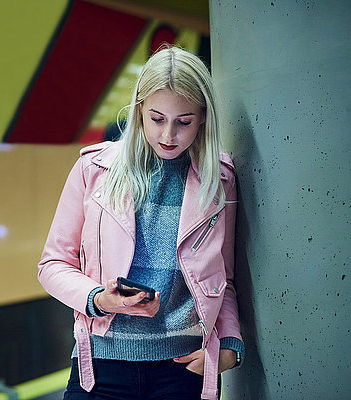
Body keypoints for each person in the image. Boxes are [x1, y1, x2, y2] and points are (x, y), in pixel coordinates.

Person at [38, 46, 244, 400]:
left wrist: (230, 343)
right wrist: (98, 298)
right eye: (156, 118)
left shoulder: (220, 179)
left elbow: (222, 278)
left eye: (184, 121)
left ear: (204, 118)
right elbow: (52, 265)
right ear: (138, 112)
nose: (169, 135)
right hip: (102, 366)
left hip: (182, 369)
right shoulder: (94, 169)